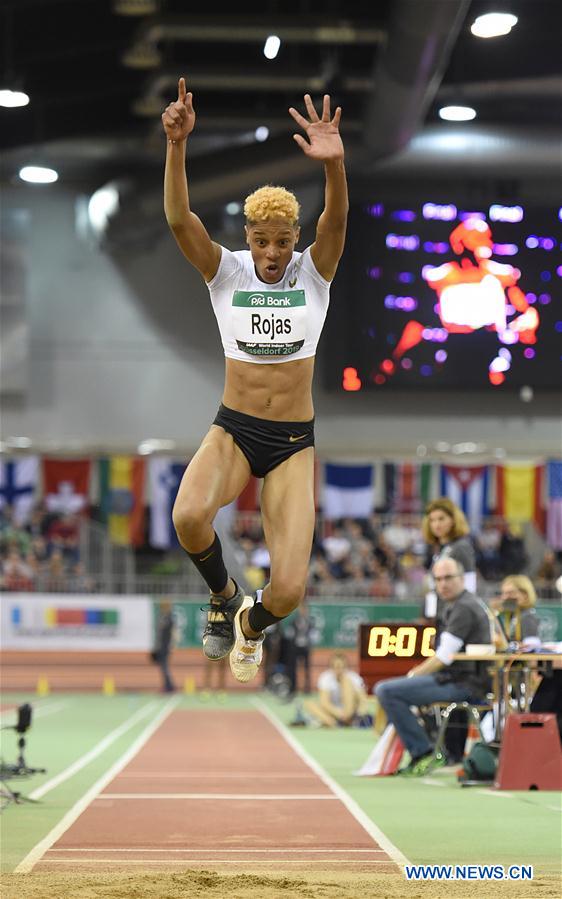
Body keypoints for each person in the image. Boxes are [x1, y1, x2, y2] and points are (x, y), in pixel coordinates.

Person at [162, 78, 348, 683]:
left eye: (283, 242)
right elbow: (179, 219)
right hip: (236, 430)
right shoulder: (227, 273)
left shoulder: (313, 273)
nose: (272, 253)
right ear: (247, 237)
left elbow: (336, 220)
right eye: (262, 241)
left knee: (289, 591)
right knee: (188, 516)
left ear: (296, 239)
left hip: (292, 442)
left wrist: (335, 165)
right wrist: (177, 146)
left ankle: (250, 623)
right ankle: (223, 595)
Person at [374, 557, 494, 776]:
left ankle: (423, 752)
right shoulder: (457, 605)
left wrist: (412, 675)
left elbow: (442, 658)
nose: (443, 584)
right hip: (457, 679)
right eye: (438, 579)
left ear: (462, 579)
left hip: (465, 684)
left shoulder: (464, 607)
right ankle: (428, 748)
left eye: (448, 578)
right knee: (391, 690)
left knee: (386, 691)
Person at [303, 652, 368, 727]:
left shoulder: (354, 677)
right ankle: (333, 722)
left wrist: (360, 713)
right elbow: (324, 702)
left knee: (346, 682)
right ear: (331, 667)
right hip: (334, 713)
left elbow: (362, 699)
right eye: (336, 666)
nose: (339, 669)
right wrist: (339, 714)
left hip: (351, 711)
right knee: (309, 704)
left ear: (345, 666)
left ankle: (342, 721)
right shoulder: (326, 677)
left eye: (341, 666)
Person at [490, 574, 540, 647]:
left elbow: (532, 645)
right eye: (504, 593)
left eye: (511, 593)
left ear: (525, 594)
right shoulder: (510, 614)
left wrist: (505, 645)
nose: (505, 597)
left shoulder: (528, 616)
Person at [152, 600, 177, 693]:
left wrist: (172, 644)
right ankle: (168, 685)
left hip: (165, 645)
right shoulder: (163, 617)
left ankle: (169, 686)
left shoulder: (169, 618)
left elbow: (173, 632)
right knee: (163, 667)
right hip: (161, 645)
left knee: (164, 666)